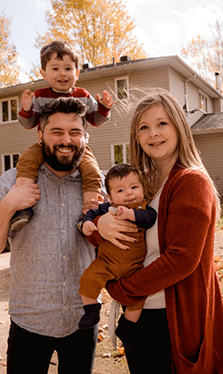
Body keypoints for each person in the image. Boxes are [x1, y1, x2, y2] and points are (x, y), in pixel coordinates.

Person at [94, 88, 223, 373]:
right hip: (144, 318)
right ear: (136, 137)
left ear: (178, 126)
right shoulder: (143, 187)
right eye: (144, 127)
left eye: (162, 123)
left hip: (171, 321)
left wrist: (122, 290)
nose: (153, 133)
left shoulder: (190, 181)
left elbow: (181, 259)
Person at [0, 97, 102, 374]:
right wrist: (8, 205)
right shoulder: (12, 182)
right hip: (29, 320)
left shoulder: (98, 187)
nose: (66, 140)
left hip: (82, 320)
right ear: (40, 134)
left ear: (85, 136)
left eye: (74, 132)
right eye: (56, 132)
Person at [11, 40, 114, 231]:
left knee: (92, 171)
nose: (62, 74)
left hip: (79, 149)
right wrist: (26, 110)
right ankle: (22, 208)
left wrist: (104, 109)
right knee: (26, 161)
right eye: (55, 68)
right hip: (45, 146)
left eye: (68, 68)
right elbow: (29, 123)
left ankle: (90, 213)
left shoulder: (83, 95)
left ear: (77, 72)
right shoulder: (40, 96)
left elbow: (95, 119)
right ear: (43, 73)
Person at [78, 163, 157, 352]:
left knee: (138, 299)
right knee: (88, 279)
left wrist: (131, 213)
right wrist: (87, 223)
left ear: (142, 189)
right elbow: (91, 213)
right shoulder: (107, 208)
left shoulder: (144, 208)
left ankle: (126, 327)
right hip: (107, 263)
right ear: (110, 197)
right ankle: (91, 310)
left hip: (134, 267)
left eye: (134, 187)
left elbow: (150, 219)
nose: (129, 193)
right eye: (121, 190)